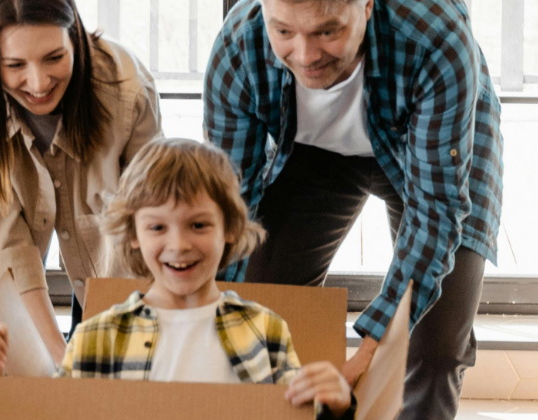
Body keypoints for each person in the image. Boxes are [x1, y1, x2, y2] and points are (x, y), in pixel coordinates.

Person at [204, 0, 504, 418]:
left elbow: (436, 211)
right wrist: (210, 316)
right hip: (309, 155)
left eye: (327, 32)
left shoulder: (435, 38)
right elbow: (230, 203)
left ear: (365, 7)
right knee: (264, 305)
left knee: (433, 350)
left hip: (432, 152)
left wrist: (372, 348)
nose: (306, 56)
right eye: (284, 32)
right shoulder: (240, 45)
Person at [0, 138, 357, 419]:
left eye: (199, 224)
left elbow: (298, 413)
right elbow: (53, 415)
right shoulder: (96, 339)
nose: (179, 244)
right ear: (133, 234)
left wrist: (337, 407)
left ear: (230, 229)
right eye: (157, 228)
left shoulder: (265, 330)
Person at [0, 0, 163, 361]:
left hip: (113, 250)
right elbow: (6, 243)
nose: (39, 83)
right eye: (15, 65)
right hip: (6, 251)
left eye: (54, 58)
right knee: (15, 372)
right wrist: (59, 357)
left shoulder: (128, 89)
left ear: (76, 40)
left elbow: (150, 222)